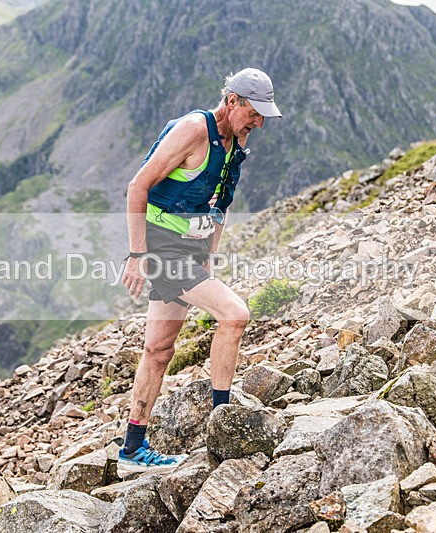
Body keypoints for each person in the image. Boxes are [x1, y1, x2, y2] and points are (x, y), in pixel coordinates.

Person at [119, 68, 282, 467]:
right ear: (232, 102)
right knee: (235, 314)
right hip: (161, 246)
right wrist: (138, 256)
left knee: (159, 350)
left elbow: (221, 205)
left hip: (189, 250)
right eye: (254, 113)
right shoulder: (194, 129)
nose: (259, 122)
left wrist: (208, 256)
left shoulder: (235, 143)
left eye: (263, 115)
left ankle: (132, 448)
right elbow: (138, 186)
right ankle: (220, 427)